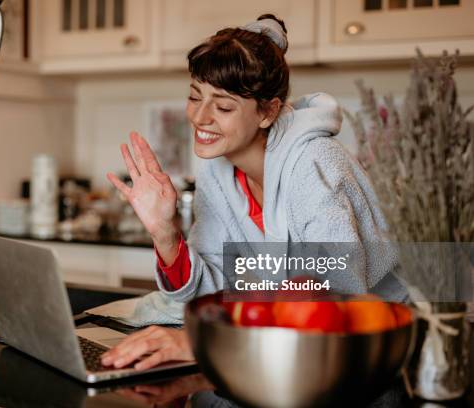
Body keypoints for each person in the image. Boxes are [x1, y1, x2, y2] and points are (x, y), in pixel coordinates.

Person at [101, 14, 405, 371]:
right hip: (293, 356)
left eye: (224, 106)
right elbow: (213, 295)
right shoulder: (216, 169)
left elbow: (335, 295)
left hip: (383, 353)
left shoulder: (315, 162)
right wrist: (166, 235)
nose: (200, 117)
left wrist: (204, 344)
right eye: (194, 96)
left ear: (267, 112)